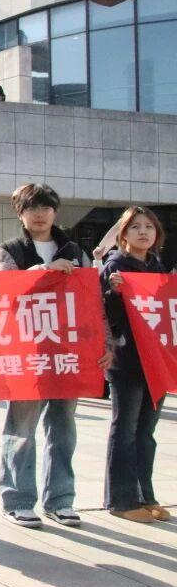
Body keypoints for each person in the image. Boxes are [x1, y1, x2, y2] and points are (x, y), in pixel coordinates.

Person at [0, 183, 106, 528]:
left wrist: (105, 345)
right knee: (21, 428)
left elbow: (93, 302)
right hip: (27, 354)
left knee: (63, 429)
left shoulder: (75, 251)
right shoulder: (7, 251)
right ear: (20, 213)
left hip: (68, 353)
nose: (39, 214)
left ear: (55, 211)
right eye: (31, 208)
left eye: (46, 207)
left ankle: (60, 500)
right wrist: (43, 272)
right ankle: (17, 500)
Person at [102, 206, 170, 523]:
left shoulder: (157, 267)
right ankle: (121, 499)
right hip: (127, 361)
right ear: (123, 234)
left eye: (149, 227)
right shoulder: (115, 266)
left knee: (146, 432)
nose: (143, 232)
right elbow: (104, 316)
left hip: (156, 362)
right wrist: (113, 293)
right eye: (135, 227)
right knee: (125, 430)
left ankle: (145, 496)